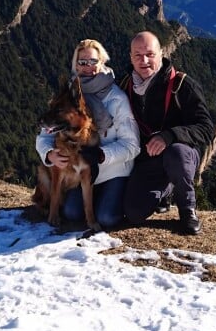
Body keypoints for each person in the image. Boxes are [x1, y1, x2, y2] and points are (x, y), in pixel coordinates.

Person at [36, 39, 140, 229]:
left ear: (102, 63)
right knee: (72, 213)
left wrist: (101, 155)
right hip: (80, 175)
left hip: (111, 172)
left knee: (107, 217)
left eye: (93, 61)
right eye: (82, 62)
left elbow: (132, 146)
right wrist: (49, 155)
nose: (88, 67)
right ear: (75, 65)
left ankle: (113, 199)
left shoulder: (117, 98)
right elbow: (44, 136)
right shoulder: (67, 97)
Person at [122, 31, 214, 234]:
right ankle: (166, 190)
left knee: (176, 154)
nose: (144, 60)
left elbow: (206, 128)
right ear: (130, 57)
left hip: (181, 154)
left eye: (150, 54)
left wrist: (170, 136)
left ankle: (187, 210)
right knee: (133, 213)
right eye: (137, 55)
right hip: (149, 159)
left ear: (161, 54)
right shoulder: (124, 86)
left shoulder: (182, 85)